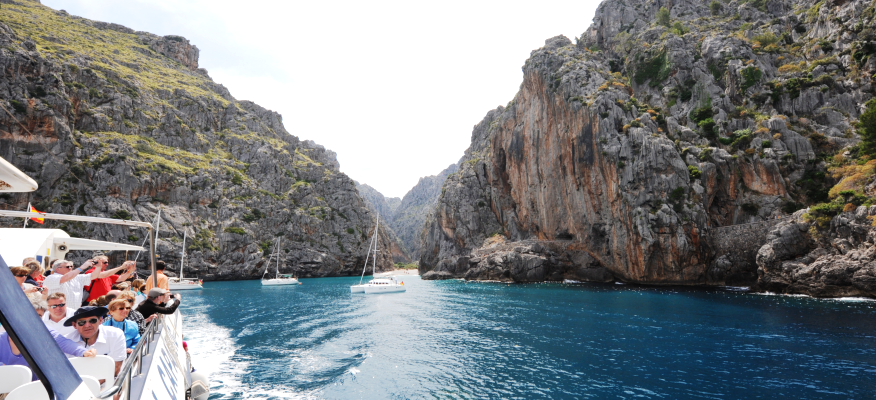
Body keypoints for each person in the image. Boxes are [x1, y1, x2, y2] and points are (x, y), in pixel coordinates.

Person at [63, 306, 127, 375]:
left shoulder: (116, 335)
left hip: (109, 383)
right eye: (82, 322)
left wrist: (93, 385)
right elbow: (63, 369)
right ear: (74, 325)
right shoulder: (66, 340)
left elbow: (116, 368)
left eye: (92, 320)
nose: (87, 325)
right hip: (76, 384)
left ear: (100, 320)